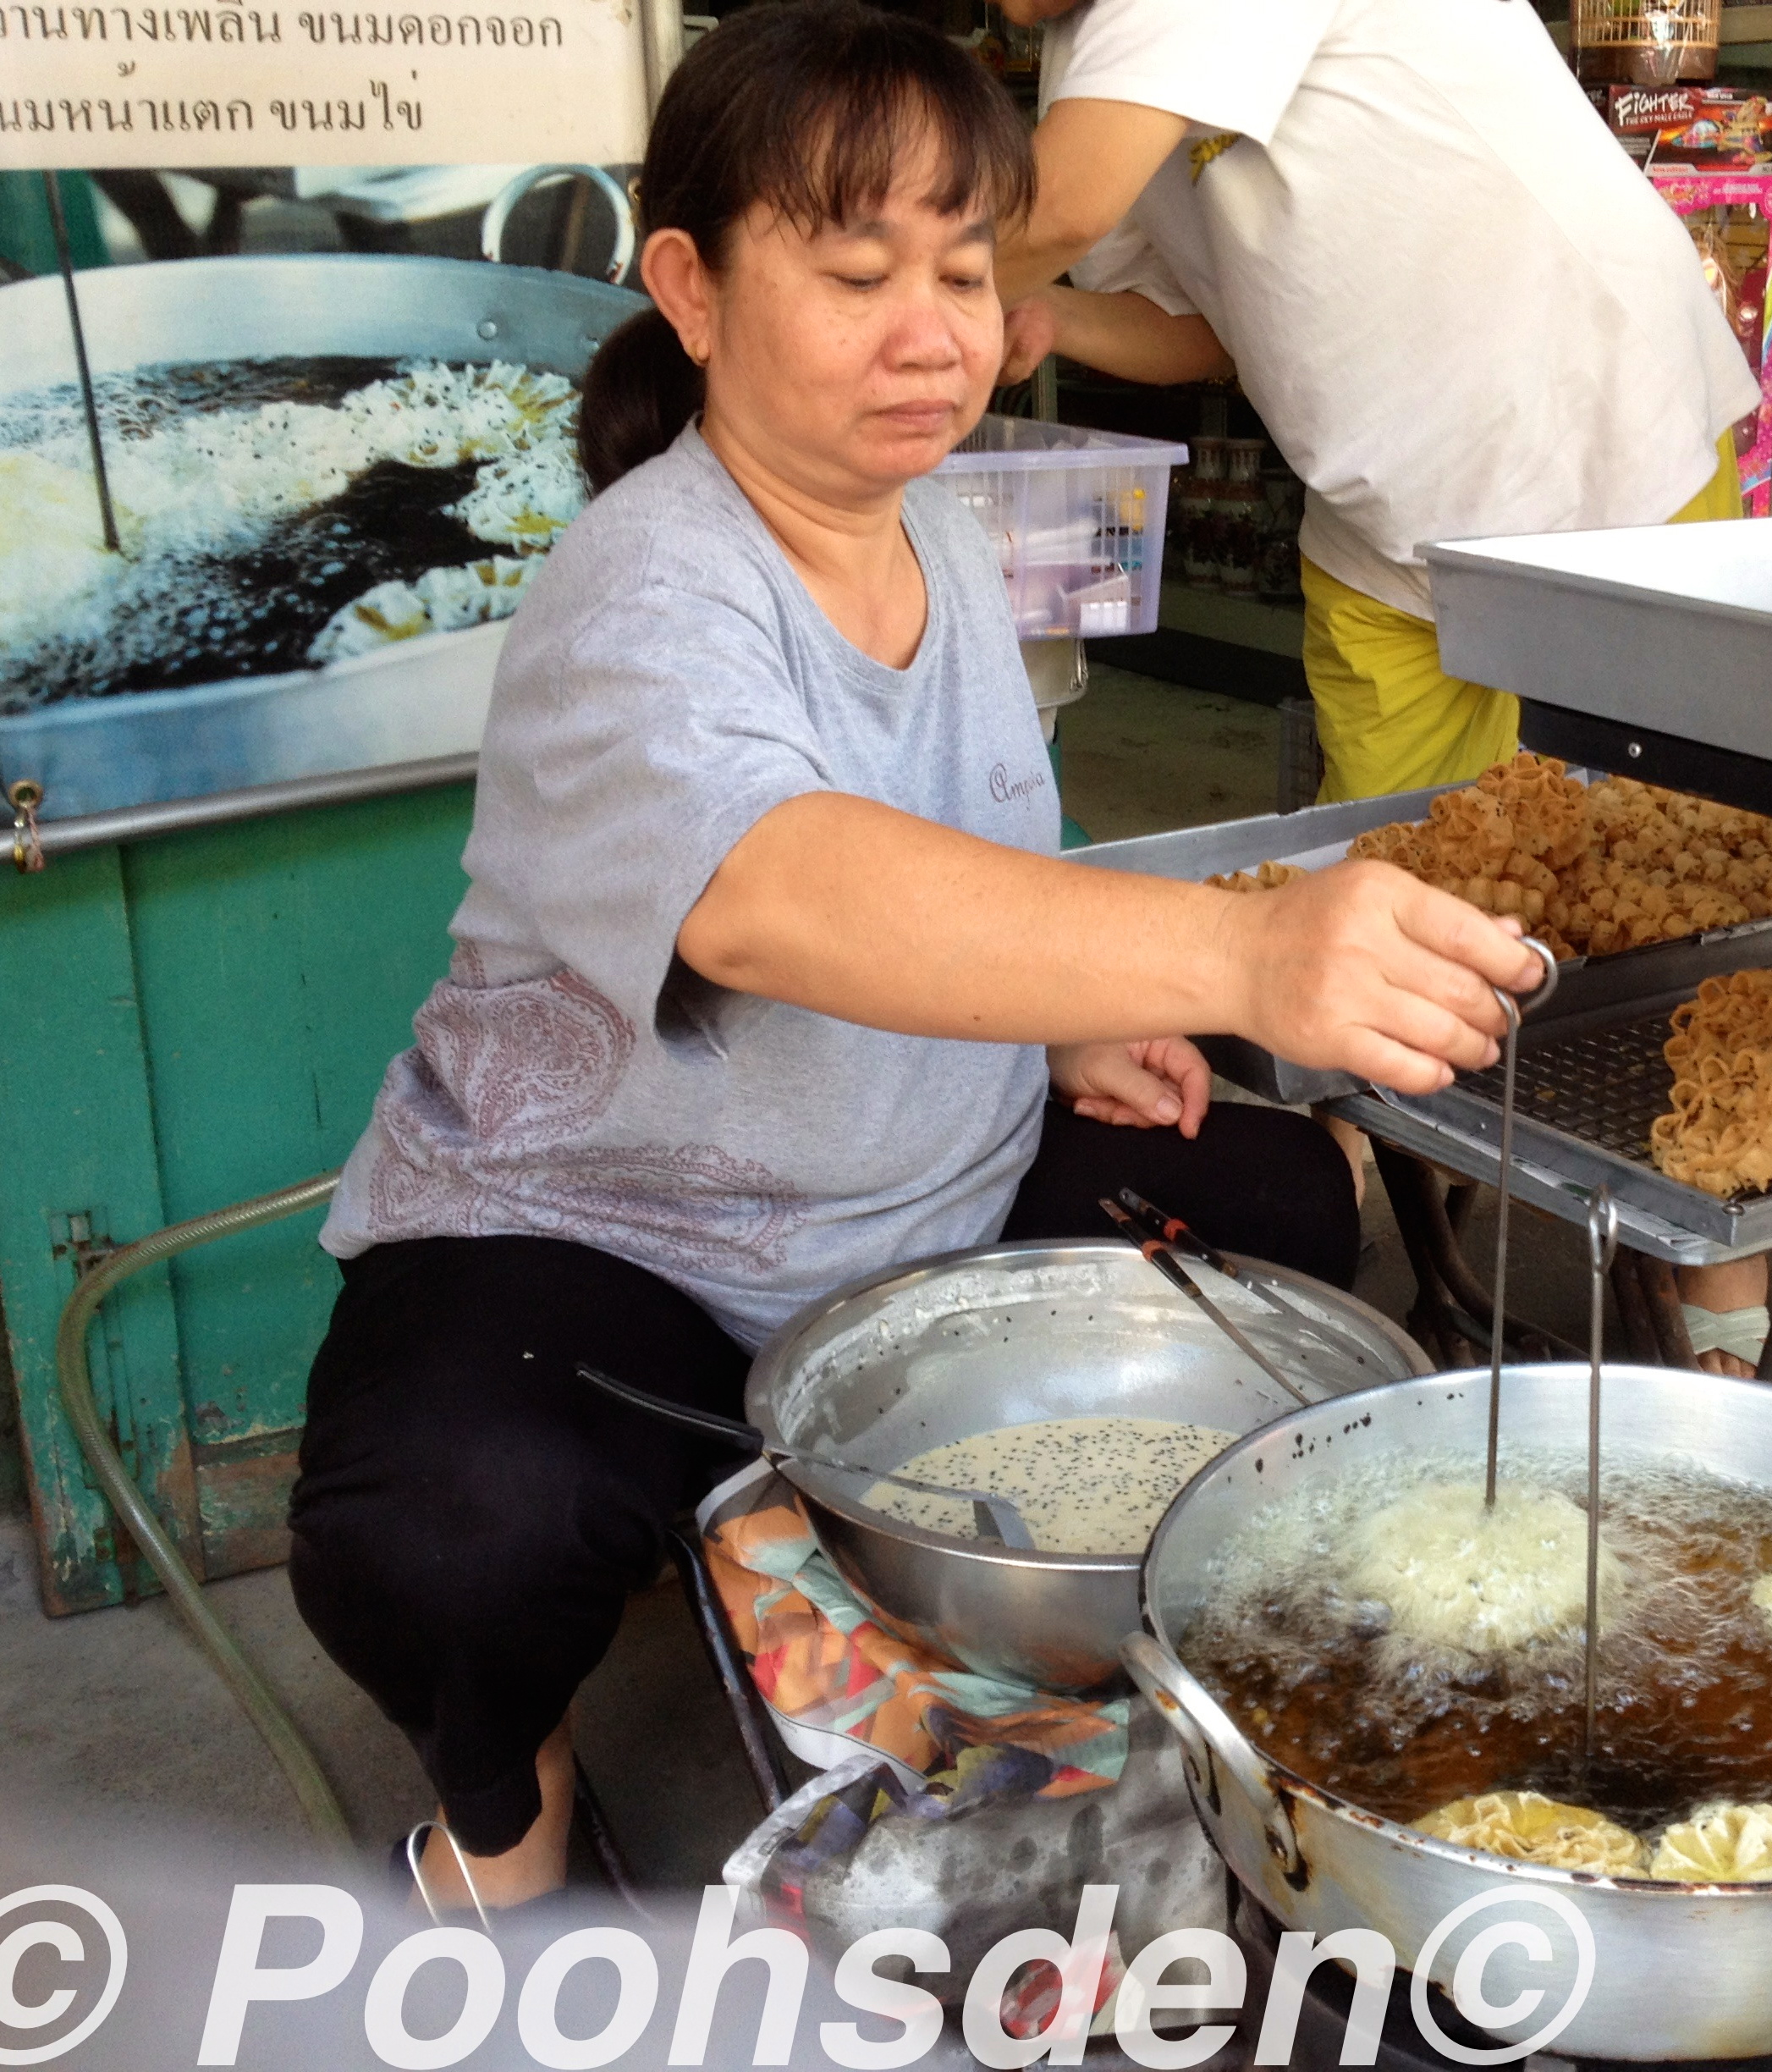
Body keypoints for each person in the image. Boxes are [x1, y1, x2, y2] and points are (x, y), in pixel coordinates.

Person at [287, 0, 1542, 1912]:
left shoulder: (944, 539)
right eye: (856, 268)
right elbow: (777, 890)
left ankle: (976, 1609)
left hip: (922, 1183)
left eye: (967, 269)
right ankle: (506, 1789)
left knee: (1279, 1209)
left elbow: (957, 862)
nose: (933, 328)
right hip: (615, 1233)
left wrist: (1063, 1033)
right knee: (446, 1520)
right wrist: (1242, 949)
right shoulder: (643, 577)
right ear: (693, 290)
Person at [991, 0, 1771, 1364]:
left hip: (1595, 453)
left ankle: (1721, 1304)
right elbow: (1204, 329)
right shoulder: (1083, 56)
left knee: (1671, 886)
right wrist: (1039, 318)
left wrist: (828, 279)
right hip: (1378, 514)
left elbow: (1055, 201)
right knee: (1390, 879)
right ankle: (1387, 1222)